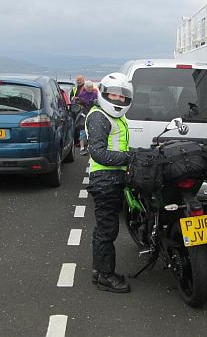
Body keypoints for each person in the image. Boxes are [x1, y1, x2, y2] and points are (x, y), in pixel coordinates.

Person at [86, 72, 134, 293]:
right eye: (113, 95)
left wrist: (134, 153)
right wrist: (129, 158)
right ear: (104, 93)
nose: (118, 99)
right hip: (105, 180)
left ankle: (98, 270)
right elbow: (98, 153)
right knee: (108, 230)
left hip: (113, 178)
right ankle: (106, 276)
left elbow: (119, 147)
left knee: (102, 229)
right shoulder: (99, 117)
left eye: (122, 96)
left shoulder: (116, 117)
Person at [75, 80, 98, 155]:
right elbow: (79, 104)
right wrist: (80, 101)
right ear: (86, 87)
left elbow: (96, 103)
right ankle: (82, 148)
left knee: (92, 130)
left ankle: (90, 147)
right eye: (89, 87)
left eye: (91, 87)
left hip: (92, 114)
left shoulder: (95, 94)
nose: (90, 88)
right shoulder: (82, 94)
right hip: (84, 114)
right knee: (82, 130)